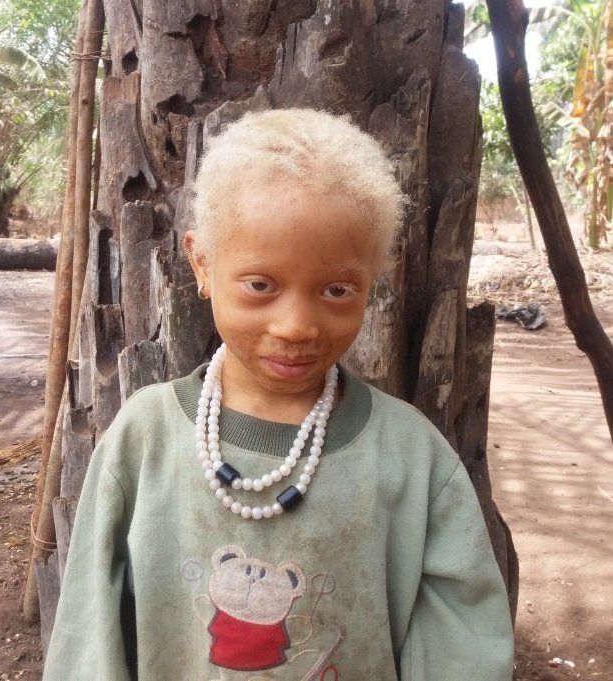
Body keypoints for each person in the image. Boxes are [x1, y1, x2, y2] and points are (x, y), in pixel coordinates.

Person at [42, 109, 514, 681]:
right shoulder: (144, 440)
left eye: (336, 290)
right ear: (202, 264)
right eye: (260, 285)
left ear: (371, 281)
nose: (296, 326)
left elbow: (460, 646)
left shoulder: (412, 456)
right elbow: (90, 637)